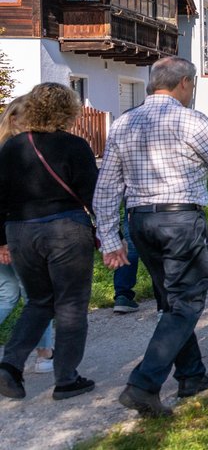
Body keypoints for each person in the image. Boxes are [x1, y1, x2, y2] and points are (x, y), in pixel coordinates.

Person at [94, 57, 208, 419]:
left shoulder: (124, 122)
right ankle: (144, 384)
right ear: (183, 84)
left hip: (140, 222)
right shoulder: (191, 120)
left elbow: (107, 187)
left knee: (171, 300)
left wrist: (110, 236)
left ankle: (191, 375)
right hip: (180, 220)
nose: (191, 92)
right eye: (191, 86)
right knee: (187, 301)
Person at [0, 85, 97, 401]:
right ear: (68, 111)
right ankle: (66, 378)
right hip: (65, 229)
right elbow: (92, 195)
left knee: (39, 301)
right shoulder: (74, 145)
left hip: (20, 232)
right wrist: (110, 234)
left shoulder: (11, 147)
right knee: (71, 303)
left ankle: (10, 367)